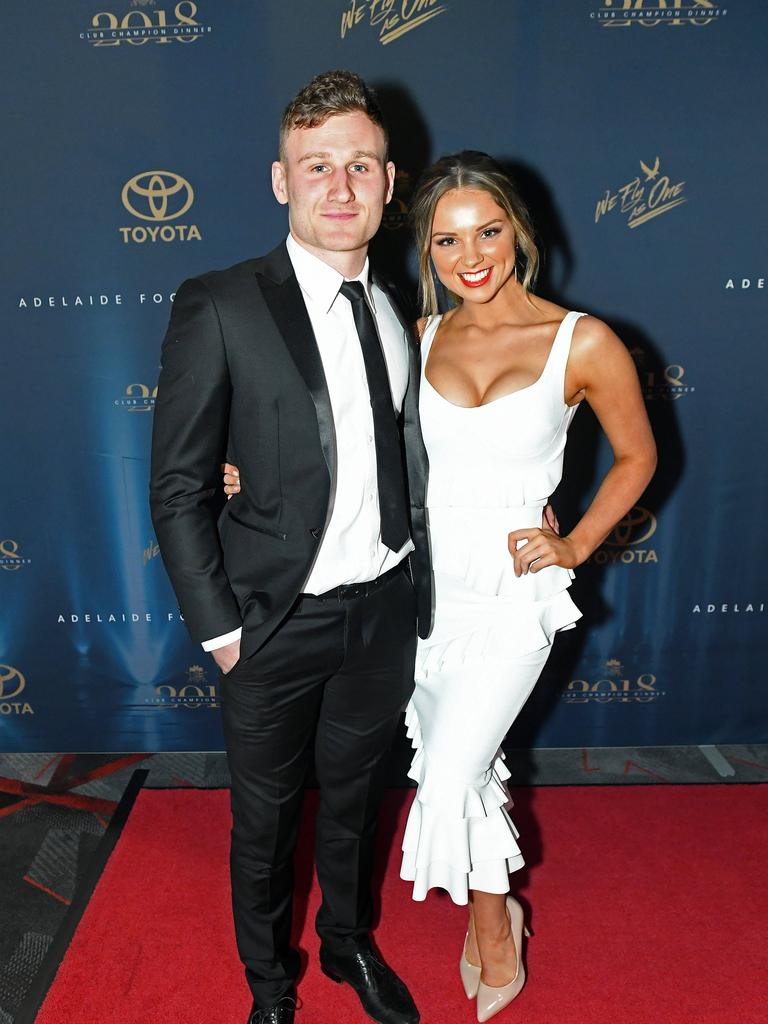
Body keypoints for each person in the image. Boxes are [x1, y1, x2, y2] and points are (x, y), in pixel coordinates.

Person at [225, 151, 657, 1022]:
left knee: (453, 773)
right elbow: (346, 432)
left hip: (507, 593)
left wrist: (573, 542)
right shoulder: (414, 333)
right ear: (423, 246)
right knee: (462, 760)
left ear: (518, 233)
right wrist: (256, 475)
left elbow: (639, 456)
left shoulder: (584, 340)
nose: (472, 255)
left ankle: (496, 923)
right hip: (415, 590)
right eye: (448, 237)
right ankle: (497, 912)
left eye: (489, 231)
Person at [150, 71, 432, 1024]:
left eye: (360, 166)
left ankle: (349, 945)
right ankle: (270, 989)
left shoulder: (405, 311)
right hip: (270, 624)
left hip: (384, 613)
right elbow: (180, 483)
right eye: (318, 167)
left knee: (355, 804)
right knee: (265, 825)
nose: (340, 187)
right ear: (281, 181)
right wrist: (222, 630)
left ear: (390, 185)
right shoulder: (221, 303)